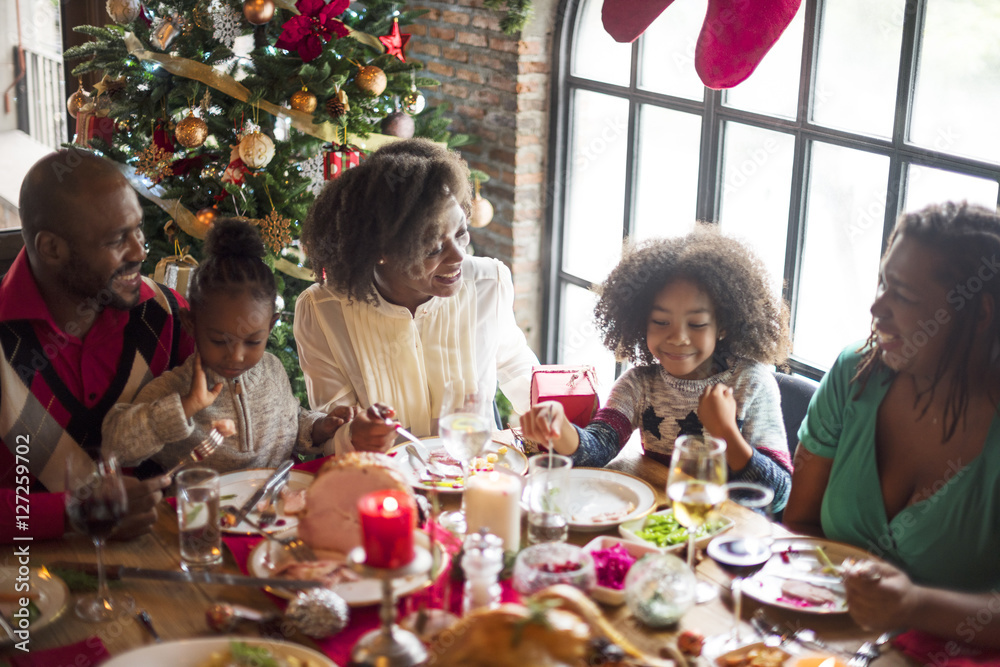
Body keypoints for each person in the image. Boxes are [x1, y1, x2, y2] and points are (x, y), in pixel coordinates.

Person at [784, 202, 1000, 647]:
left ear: (979, 313)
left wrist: (913, 605)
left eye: (902, 294)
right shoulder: (854, 373)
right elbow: (799, 524)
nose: (876, 307)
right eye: (883, 281)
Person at [520, 226, 793, 511]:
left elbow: (779, 493)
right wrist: (560, 428)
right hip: (665, 522)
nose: (677, 337)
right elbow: (597, 449)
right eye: (661, 322)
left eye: (697, 324)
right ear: (641, 322)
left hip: (732, 535)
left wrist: (726, 431)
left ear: (723, 325)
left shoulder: (751, 384)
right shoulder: (639, 384)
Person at [294, 138, 538, 454]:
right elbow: (330, 433)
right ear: (380, 251)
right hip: (385, 487)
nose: (458, 257)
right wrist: (353, 436)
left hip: (475, 478)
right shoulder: (323, 312)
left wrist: (550, 412)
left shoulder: (489, 283)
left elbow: (518, 367)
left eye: (461, 233)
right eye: (434, 248)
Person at [1, 148, 195, 542]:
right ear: (52, 248)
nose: (141, 251)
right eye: (116, 239)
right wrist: (72, 514)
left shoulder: (167, 316)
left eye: (138, 229)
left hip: (166, 568)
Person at [103, 219, 353, 472]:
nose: (235, 356)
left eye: (253, 341)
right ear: (191, 324)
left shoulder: (273, 369)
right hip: (206, 508)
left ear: (270, 326)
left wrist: (320, 427)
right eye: (219, 341)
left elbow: (290, 421)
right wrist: (185, 406)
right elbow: (115, 448)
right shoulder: (174, 389)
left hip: (280, 502)